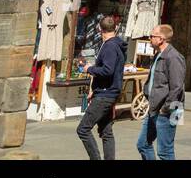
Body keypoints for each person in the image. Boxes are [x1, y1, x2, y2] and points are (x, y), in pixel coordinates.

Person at [77, 15, 124, 160]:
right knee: (106, 130)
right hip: (105, 93)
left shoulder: (110, 46)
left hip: (105, 95)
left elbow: (107, 70)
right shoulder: (115, 44)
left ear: (99, 29)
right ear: (115, 28)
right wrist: (94, 90)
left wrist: (89, 69)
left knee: (83, 129)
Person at [136, 23, 185, 160]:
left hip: (172, 109)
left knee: (165, 151)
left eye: (152, 36)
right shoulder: (158, 55)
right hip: (155, 107)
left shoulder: (174, 57)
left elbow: (177, 87)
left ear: (161, 39)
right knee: (143, 144)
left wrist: (165, 108)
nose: (149, 38)